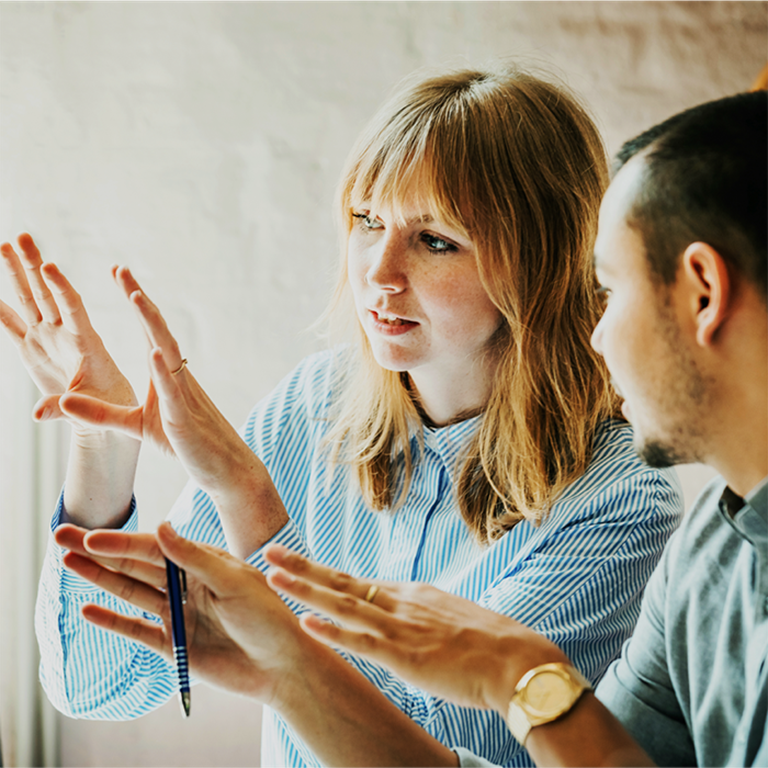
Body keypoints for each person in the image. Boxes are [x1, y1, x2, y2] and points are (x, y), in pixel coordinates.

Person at [0, 66, 682, 768]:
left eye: (436, 240)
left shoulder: (621, 498)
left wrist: (250, 505)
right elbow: (98, 685)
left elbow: (438, 744)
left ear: (540, 262)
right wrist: (103, 453)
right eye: (367, 221)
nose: (378, 271)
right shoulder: (313, 407)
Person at [151, 89, 765, 768]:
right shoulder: (713, 545)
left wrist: (519, 676)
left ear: (704, 292)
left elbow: (454, 730)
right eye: (366, 222)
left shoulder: (624, 498)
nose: (596, 333)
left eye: (612, 292)